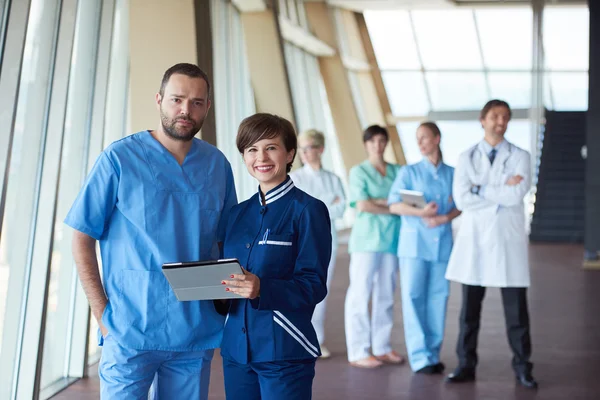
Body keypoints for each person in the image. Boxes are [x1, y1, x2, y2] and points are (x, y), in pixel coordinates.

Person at [65, 63, 237, 399]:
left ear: (207, 108)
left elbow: (225, 239)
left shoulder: (217, 165)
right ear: (159, 100)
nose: (185, 110)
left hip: (194, 330)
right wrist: (102, 315)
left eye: (197, 102)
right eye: (177, 99)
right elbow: (81, 237)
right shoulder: (119, 158)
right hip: (129, 328)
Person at [219, 113, 332, 400]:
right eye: (251, 149)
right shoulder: (236, 214)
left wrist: (262, 288)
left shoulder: (308, 211)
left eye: (271, 147)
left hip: (284, 350)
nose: (261, 157)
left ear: (290, 152)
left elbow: (314, 285)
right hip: (236, 351)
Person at [444, 100, 538, 389]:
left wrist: (479, 189)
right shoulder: (466, 156)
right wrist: (498, 190)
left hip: (507, 241)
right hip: (475, 242)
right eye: (495, 116)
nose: (501, 121)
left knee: (517, 313)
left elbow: (517, 194)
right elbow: (461, 199)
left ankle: (523, 368)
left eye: (506, 117)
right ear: (482, 120)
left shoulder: (520, 156)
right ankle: (465, 364)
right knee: (469, 313)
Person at [388, 122, 460, 374]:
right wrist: (420, 212)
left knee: (439, 298)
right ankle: (420, 357)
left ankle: (433, 353)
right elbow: (394, 205)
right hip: (414, 245)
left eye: (425, 138)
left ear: (437, 138)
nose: (420, 143)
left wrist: (444, 217)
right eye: (417, 139)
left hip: (441, 244)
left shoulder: (452, 173)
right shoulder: (409, 172)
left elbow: (461, 203)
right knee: (414, 297)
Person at [344, 125, 404, 368]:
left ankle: (382, 347)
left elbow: (404, 199)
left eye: (381, 141)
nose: (377, 145)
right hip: (366, 241)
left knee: (386, 294)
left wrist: (378, 202)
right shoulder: (358, 171)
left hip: (391, 240)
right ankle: (358, 351)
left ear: (386, 143)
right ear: (366, 144)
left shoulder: (398, 171)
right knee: (360, 293)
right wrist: (391, 205)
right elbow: (362, 205)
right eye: (372, 141)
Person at [290, 128, 346, 359]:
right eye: (301, 149)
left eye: (308, 148)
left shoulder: (334, 179)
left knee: (320, 292)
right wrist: (325, 205)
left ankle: (316, 340)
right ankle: (296, 339)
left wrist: (316, 207)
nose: (303, 153)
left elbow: (341, 208)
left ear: (320, 149)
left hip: (327, 242)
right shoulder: (295, 178)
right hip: (300, 244)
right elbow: (299, 210)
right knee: (297, 291)